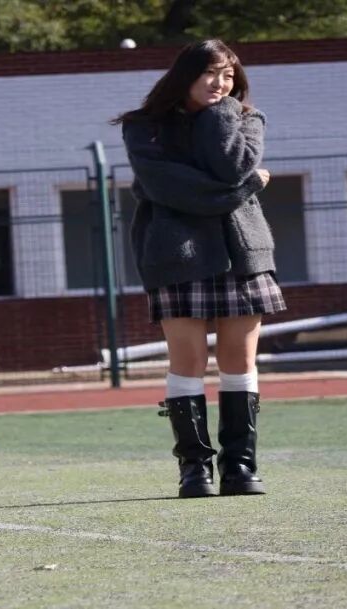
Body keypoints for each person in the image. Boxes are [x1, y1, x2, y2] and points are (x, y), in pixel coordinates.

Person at [117, 39, 285, 499]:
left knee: (239, 361)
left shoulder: (246, 118)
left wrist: (221, 115)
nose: (220, 83)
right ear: (185, 75)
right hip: (177, 254)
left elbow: (231, 167)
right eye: (210, 72)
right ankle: (194, 469)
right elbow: (172, 189)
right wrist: (247, 187)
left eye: (229, 75)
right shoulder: (144, 127)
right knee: (188, 362)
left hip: (243, 253)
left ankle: (241, 466)